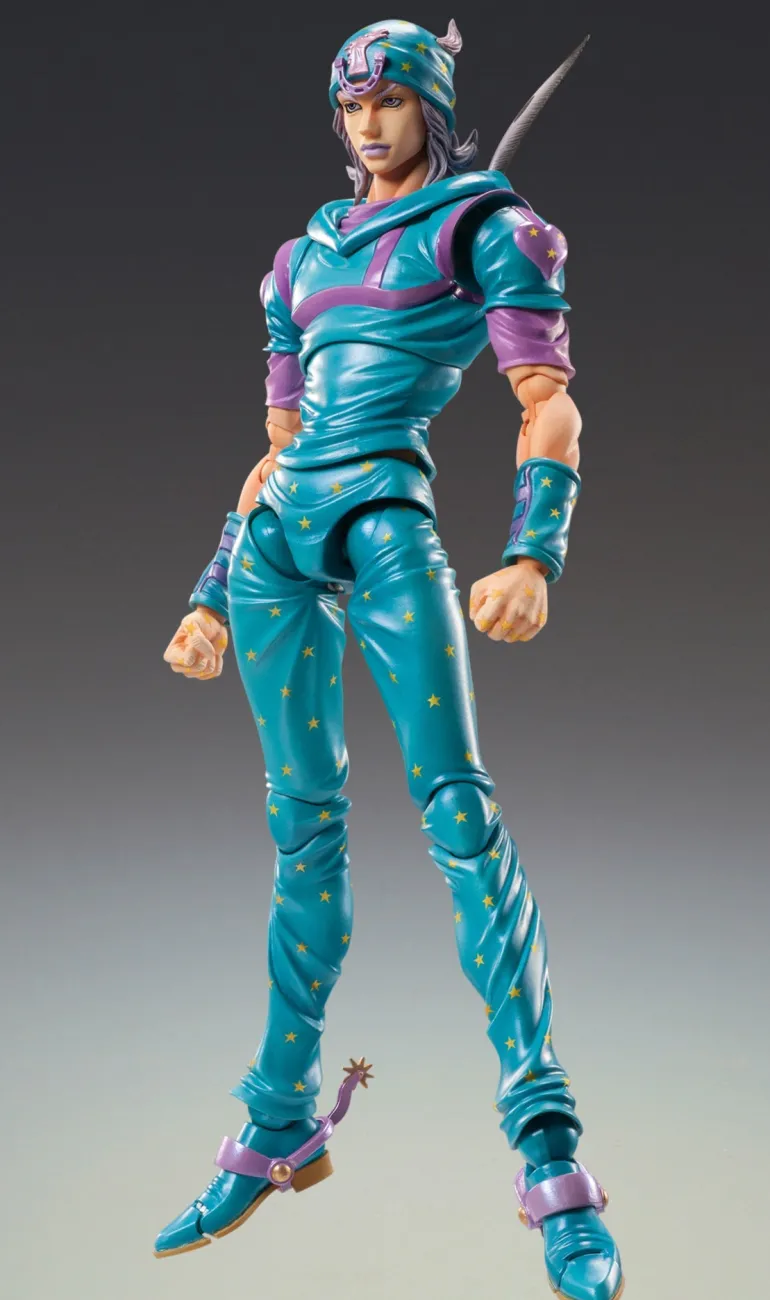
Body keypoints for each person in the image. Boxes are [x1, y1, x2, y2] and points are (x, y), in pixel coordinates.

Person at [156, 19, 624, 1300]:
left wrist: (533, 553)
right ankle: (279, 1119)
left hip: (384, 527)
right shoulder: (299, 258)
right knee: (301, 831)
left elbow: (548, 402)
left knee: (459, 818)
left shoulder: (486, 228)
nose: (367, 123)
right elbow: (278, 448)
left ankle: (548, 1153)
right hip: (275, 549)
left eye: (391, 100)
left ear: (432, 107)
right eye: (350, 104)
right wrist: (209, 589)